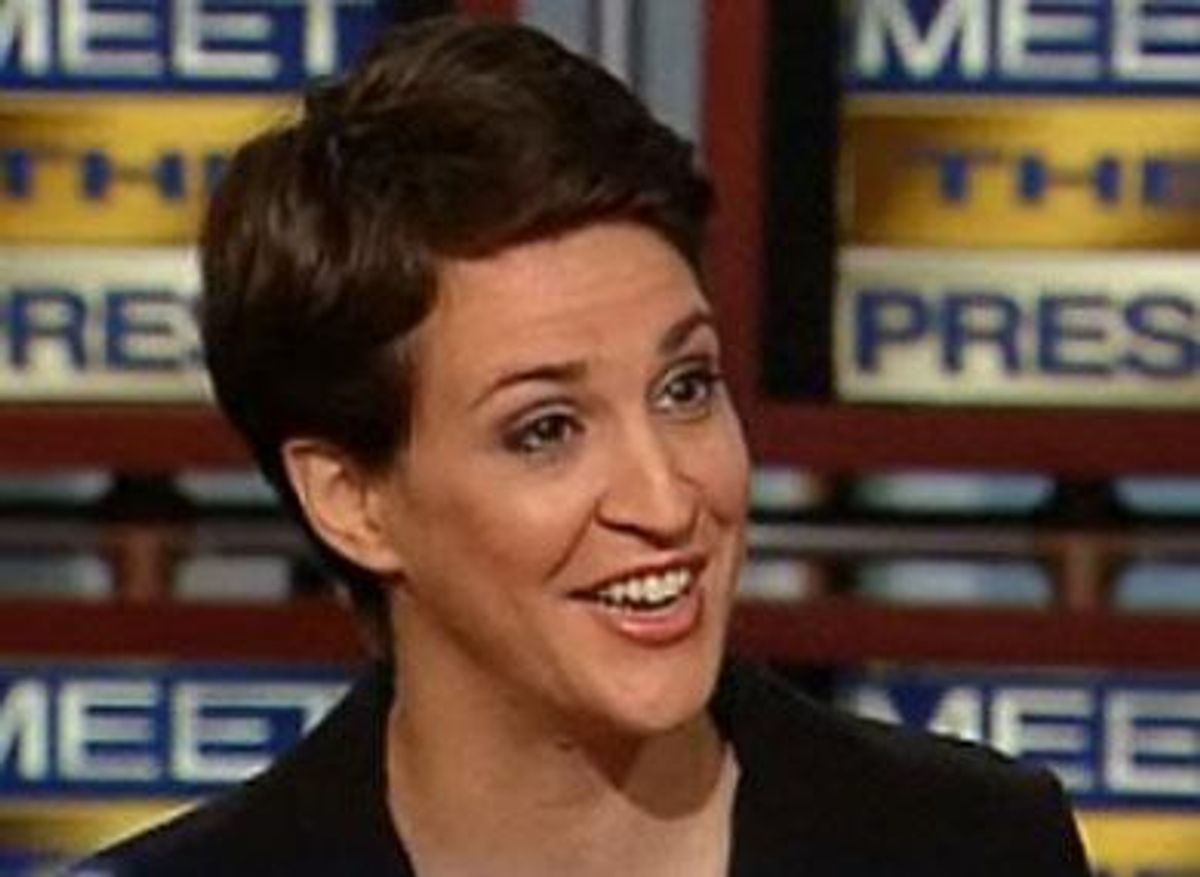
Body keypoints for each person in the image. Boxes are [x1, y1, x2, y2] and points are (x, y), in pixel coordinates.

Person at [81, 16, 1091, 877]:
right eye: (547, 430)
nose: (666, 498)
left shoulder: (973, 848)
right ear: (351, 499)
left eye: (685, 388)